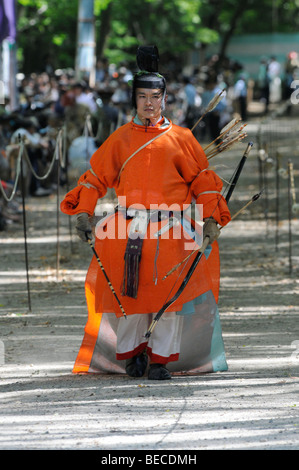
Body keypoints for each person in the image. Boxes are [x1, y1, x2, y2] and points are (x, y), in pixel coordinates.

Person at [60, 47, 231, 380]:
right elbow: (95, 178)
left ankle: (160, 360)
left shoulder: (182, 139)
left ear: (165, 99)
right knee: (129, 296)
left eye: (155, 96)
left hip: (171, 229)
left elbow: (203, 183)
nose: (149, 103)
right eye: (142, 97)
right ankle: (133, 355)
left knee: (169, 296)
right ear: (133, 100)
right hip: (127, 228)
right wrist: (84, 211)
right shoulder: (120, 139)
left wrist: (211, 218)